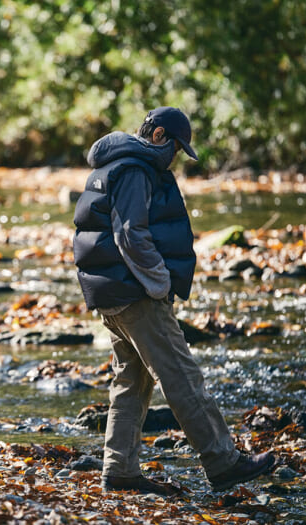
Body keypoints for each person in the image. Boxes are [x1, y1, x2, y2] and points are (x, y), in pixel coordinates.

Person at [73, 107, 275, 495]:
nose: (176, 159)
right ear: (160, 135)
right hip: (136, 293)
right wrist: (160, 283)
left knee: (131, 380)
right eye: (177, 149)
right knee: (182, 376)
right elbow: (130, 234)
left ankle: (121, 471)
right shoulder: (134, 168)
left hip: (112, 292)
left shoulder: (114, 164)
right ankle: (223, 461)